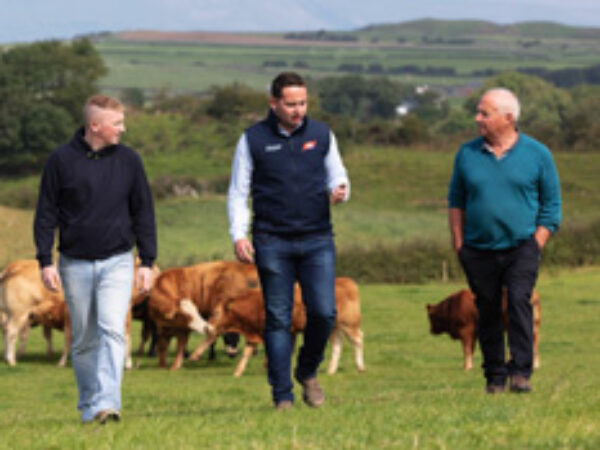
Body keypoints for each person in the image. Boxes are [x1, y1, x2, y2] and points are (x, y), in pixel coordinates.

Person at [227, 72, 350, 410]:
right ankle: (282, 395)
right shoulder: (252, 139)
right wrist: (239, 233)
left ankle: (307, 370)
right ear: (274, 103)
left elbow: (337, 173)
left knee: (324, 313)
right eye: (291, 104)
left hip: (317, 238)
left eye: (303, 103)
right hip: (271, 241)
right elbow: (238, 192)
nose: (299, 110)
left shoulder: (321, 134)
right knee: (278, 318)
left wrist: (340, 189)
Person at [34, 94, 157, 423]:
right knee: (85, 339)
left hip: (117, 260)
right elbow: (46, 213)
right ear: (95, 126)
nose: (122, 128)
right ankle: (90, 406)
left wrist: (147, 261)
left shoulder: (130, 161)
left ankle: (107, 403)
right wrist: (45, 260)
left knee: (113, 330)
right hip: (73, 263)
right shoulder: (60, 160)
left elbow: (143, 210)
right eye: (116, 123)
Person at [447, 88, 561, 394]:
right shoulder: (467, 154)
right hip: (478, 249)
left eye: (485, 113)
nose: (478, 118)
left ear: (508, 118)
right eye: (479, 112)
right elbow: (456, 201)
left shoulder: (538, 154)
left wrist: (537, 241)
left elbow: (552, 207)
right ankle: (495, 376)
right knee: (487, 309)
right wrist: (459, 243)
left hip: (522, 245)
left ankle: (521, 372)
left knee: (519, 302)